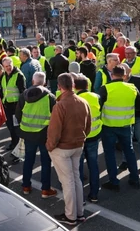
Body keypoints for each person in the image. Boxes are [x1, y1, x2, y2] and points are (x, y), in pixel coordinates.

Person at [46, 73, 91, 226]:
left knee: (68, 182)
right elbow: (88, 126)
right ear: (73, 85)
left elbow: (54, 131)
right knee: (76, 179)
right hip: (78, 145)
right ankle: (79, 213)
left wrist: (50, 147)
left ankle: (71, 216)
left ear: (59, 86)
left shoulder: (60, 105)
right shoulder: (83, 101)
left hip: (63, 148)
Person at [98, 65, 140, 191]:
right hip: (126, 125)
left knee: (110, 153)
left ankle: (114, 181)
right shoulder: (132, 88)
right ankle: (135, 179)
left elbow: (98, 106)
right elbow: (139, 106)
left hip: (109, 125)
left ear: (112, 75)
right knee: (129, 151)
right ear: (124, 75)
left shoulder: (105, 88)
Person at [17, 71, 57, 198]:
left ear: (33, 81)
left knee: (29, 160)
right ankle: (45, 189)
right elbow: (55, 117)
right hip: (44, 134)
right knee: (45, 161)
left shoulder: (24, 95)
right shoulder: (50, 97)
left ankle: (26, 186)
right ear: (44, 82)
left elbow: (18, 114)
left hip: (28, 133)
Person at [116, 64, 140, 173]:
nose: (124, 74)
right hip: (125, 117)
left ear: (130, 70)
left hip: (139, 115)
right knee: (126, 140)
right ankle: (125, 161)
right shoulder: (117, 82)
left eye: (125, 71)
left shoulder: (139, 81)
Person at [75, 75, 102, 203]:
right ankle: (94, 194)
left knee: (78, 166)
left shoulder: (75, 99)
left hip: (79, 137)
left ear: (75, 87)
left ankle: (79, 196)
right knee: (93, 165)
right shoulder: (96, 97)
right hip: (94, 135)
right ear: (88, 86)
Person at [1, 57, 25, 151]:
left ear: (13, 64)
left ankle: (18, 147)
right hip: (7, 105)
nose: (8, 68)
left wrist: (20, 106)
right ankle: (14, 143)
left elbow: (22, 91)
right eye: (6, 66)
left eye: (9, 65)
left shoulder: (18, 75)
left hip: (16, 106)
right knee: (10, 126)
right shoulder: (4, 75)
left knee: (16, 127)